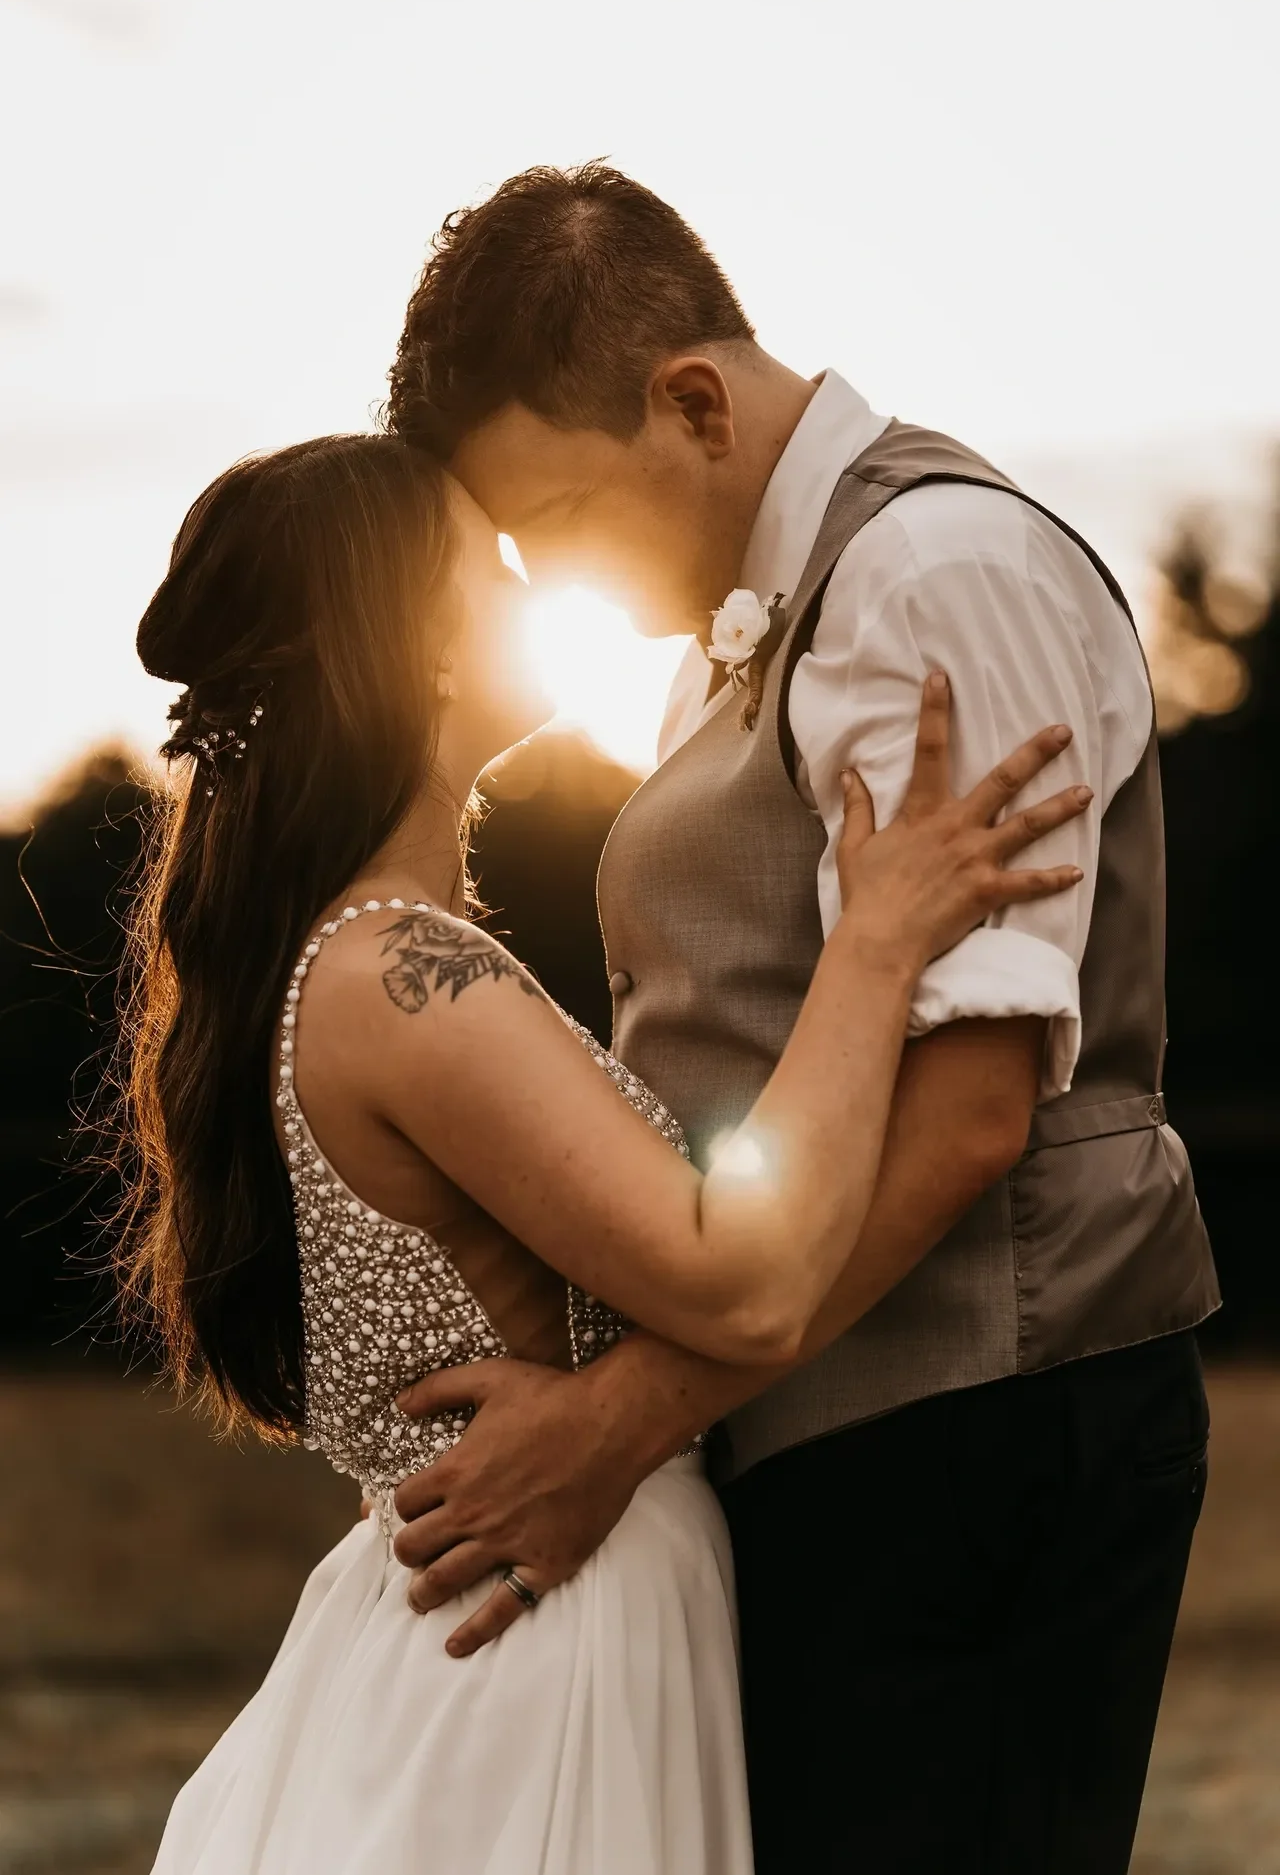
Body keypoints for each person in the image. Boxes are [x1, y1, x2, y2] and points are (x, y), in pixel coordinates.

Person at [383, 164, 1221, 1874]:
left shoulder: (934, 575)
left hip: (981, 1425)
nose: (571, 589)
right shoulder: (744, 623)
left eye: (564, 514)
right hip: (837, 1419)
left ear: (693, 401)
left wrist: (625, 1422)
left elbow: (972, 1107)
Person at [124, 433, 1085, 1872]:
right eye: (490, 570)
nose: (534, 587)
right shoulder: (401, 978)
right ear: (426, 648)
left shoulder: (352, 964)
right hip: (541, 1649)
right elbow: (744, 1281)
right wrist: (877, 945)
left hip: (507, 1613)